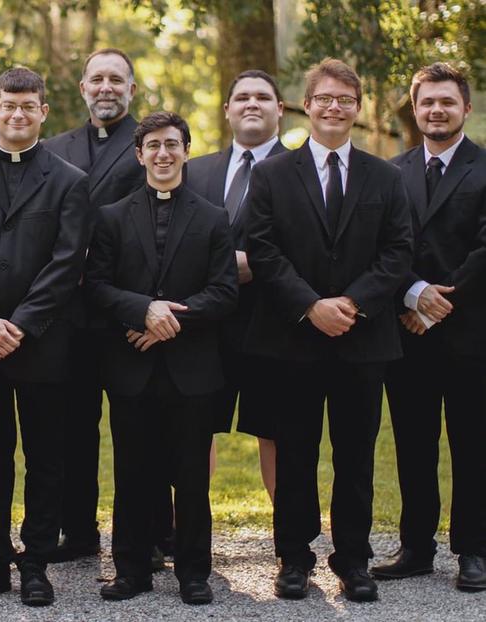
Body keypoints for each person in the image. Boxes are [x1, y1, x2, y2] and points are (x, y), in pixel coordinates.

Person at [244, 58, 413, 602]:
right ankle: (294, 558)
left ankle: (354, 559)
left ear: (356, 108)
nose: (334, 107)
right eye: (325, 98)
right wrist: (311, 305)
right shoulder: (270, 174)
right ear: (308, 104)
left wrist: (352, 303)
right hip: (291, 337)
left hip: (362, 341)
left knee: (356, 455)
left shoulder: (385, 176)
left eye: (345, 99)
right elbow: (262, 248)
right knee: (294, 453)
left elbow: (398, 251)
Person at [0, 67, 91, 607]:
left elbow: (67, 260)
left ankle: (35, 561)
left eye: (29, 106)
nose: (19, 114)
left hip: (44, 342)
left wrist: (22, 323)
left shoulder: (70, 181)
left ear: (43, 113)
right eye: (10, 105)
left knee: (47, 455)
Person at [86, 111, 237, 604]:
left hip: (192, 370)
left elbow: (224, 292)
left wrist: (168, 324)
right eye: (153, 145)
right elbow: (97, 286)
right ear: (139, 154)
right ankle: (131, 570)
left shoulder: (213, 217)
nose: (163, 154)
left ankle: (193, 573)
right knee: (132, 474)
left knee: (191, 476)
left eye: (173, 144)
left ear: (187, 151)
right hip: (132, 368)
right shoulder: (110, 216)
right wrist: (143, 311)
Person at [372, 62, 486, 592]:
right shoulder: (390, 174)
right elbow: (384, 247)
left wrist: (441, 302)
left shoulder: (485, 169)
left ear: (465, 107)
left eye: (446, 101)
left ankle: (474, 550)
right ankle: (416, 547)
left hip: (472, 333)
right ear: (414, 110)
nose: (436, 110)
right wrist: (413, 296)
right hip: (407, 331)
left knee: (473, 443)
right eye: (427, 102)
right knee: (414, 443)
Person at [42, 48, 145, 562]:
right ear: (82, 88)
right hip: (67, 314)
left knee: (136, 433)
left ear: (132, 89)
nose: (106, 87)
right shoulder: (54, 147)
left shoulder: (150, 145)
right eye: (96, 79)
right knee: (72, 429)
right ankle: (77, 532)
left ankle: (145, 538)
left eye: (116, 79)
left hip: (123, 310)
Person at [185, 69, 287, 501]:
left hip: (274, 326)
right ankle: (185, 535)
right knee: (194, 430)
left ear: (279, 110)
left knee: (278, 435)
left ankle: (290, 541)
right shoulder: (196, 171)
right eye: (242, 97)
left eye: (262, 97)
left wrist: (259, 265)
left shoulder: (299, 171)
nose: (252, 104)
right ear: (227, 110)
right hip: (206, 327)